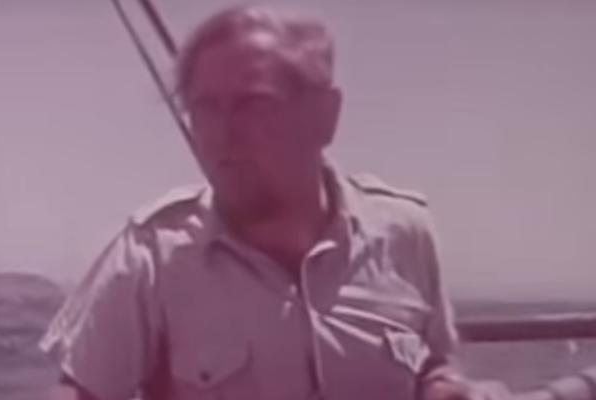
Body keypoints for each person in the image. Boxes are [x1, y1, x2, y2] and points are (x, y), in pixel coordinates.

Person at [40, 5, 488, 400]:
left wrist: (442, 386)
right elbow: (80, 392)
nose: (223, 134)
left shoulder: (405, 234)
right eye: (205, 108)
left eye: (253, 104)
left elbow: (434, 360)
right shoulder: (151, 256)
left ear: (324, 116)